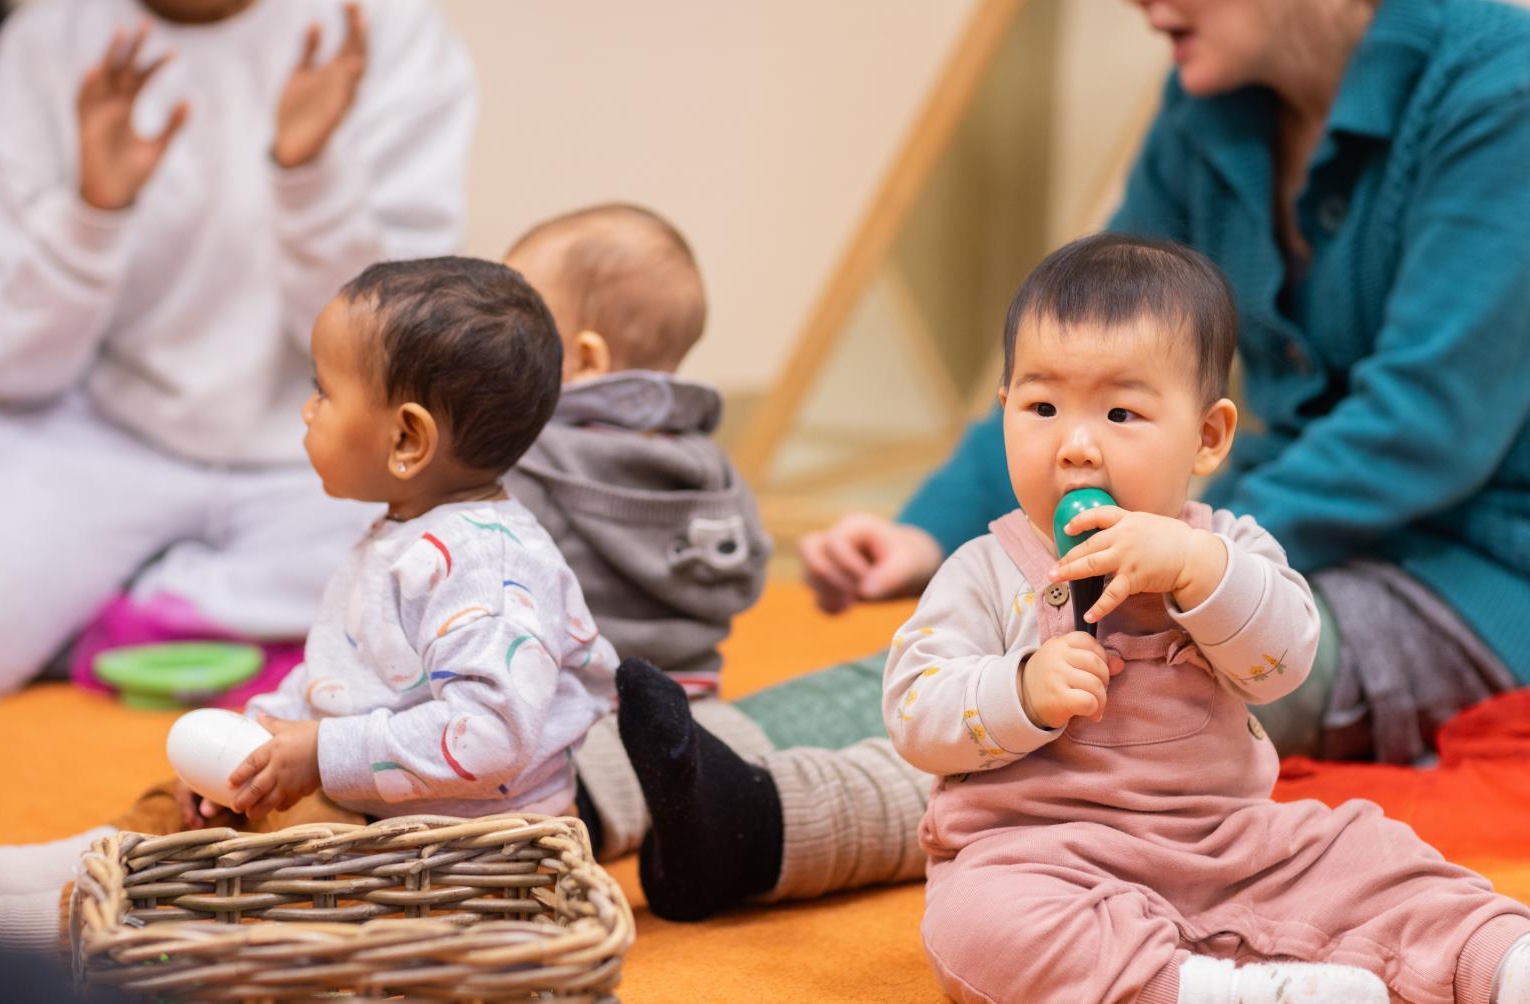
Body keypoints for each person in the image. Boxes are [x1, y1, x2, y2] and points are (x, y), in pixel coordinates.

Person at [618, 0, 1530, 920]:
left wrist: (1195, 559)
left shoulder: (1503, 85)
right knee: (1000, 643)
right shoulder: (1212, 104)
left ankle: (758, 821)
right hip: (1241, 512)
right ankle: (624, 770)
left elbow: (1426, 425)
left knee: (1139, 680)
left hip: (1461, 577)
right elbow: (1074, 360)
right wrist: (923, 531)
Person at [0, 257, 619, 953]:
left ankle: (55, 927)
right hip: (378, 808)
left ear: (406, 438)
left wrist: (320, 755)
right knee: (201, 801)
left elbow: (491, 734)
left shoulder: (485, 562)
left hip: (451, 853)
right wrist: (263, 733)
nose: (307, 411)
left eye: (325, 392)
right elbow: (345, 677)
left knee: (256, 867)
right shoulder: (403, 531)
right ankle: (68, 865)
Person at [895, 232, 1530, 1004]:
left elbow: (1285, 662)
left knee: (1371, 850)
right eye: (1041, 406)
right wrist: (1020, 689)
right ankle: (1201, 990)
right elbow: (916, 712)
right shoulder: (984, 571)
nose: (1076, 445)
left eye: (1121, 411)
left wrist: (1200, 573)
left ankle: (1495, 957)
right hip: (1041, 852)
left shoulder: (1231, 547)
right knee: (979, 922)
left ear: (1207, 437)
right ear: (1004, 414)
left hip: (1229, 841)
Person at [0, 0, 476, 706]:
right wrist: (93, 215)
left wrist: (309, 179)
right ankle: (213, 616)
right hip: (99, 445)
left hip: (318, 462)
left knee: (459, 617)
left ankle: (129, 606)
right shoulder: (50, 39)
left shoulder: (382, 27)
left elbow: (398, 355)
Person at [494, 204, 776, 862]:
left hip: (576, 718)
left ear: (585, 358)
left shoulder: (529, 458)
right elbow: (751, 574)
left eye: (514, 338)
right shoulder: (711, 463)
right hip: (695, 704)